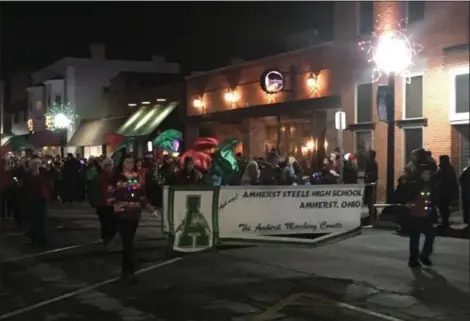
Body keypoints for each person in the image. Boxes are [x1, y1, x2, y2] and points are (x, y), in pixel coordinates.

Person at [106, 154, 147, 282]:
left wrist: (149, 207)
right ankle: (129, 269)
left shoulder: (138, 177)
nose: (130, 164)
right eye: (127, 162)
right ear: (122, 163)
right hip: (122, 214)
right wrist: (114, 204)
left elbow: (142, 195)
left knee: (129, 241)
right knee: (127, 241)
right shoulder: (117, 177)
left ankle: (127, 268)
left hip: (135, 214)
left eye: (131, 162)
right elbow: (109, 194)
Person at [403, 164, 436, 268]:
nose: (428, 175)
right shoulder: (413, 185)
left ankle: (423, 255)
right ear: (421, 173)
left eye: (429, 173)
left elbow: (431, 200)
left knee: (430, 235)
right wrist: (408, 203)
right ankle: (413, 259)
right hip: (415, 215)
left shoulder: (429, 184)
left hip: (425, 215)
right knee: (415, 237)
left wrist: (431, 210)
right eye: (426, 173)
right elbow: (403, 196)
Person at [22, 157, 49, 246]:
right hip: (32, 199)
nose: (37, 166)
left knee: (42, 220)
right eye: (35, 164)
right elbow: (25, 188)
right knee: (33, 220)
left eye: (38, 164)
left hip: (42, 199)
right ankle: (34, 238)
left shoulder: (43, 173)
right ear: (32, 166)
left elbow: (48, 183)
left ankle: (42, 239)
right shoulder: (28, 175)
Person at [435, 155, 458, 230]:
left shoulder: (446, 169)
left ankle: (445, 224)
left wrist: (437, 185)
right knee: (443, 208)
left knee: (444, 208)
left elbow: (445, 181)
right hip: (444, 192)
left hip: (444, 192)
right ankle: (445, 223)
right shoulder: (445, 168)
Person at [96, 158, 116, 247]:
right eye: (110, 166)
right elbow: (105, 190)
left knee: (111, 223)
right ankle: (106, 240)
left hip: (109, 204)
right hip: (103, 204)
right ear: (105, 167)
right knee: (106, 224)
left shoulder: (110, 176)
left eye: (112, 165)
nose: (112, 167)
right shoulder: (102, 177)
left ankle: (107, 240)